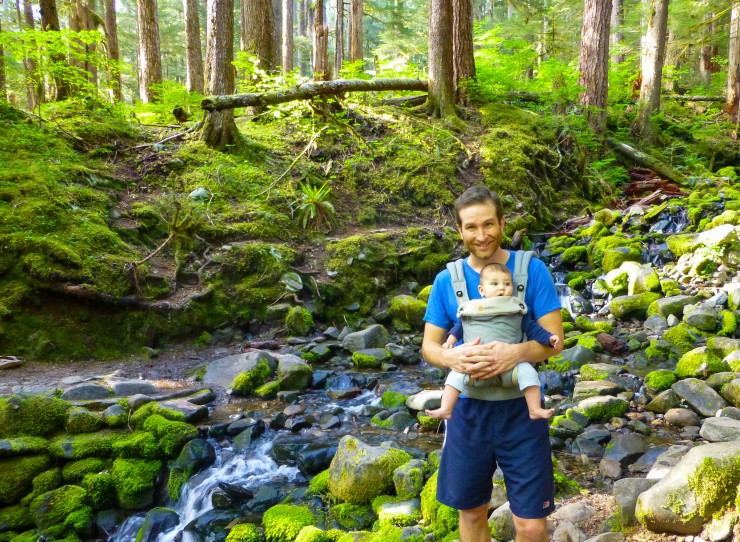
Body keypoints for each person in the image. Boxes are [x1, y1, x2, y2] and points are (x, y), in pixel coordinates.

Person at [421, 185, 564, 542]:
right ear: (459, 230)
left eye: (489, 224)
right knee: (471, 513)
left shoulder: (532, 271)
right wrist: (451, 357)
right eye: (471, 227)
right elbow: (429, 347)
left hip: (521, 412)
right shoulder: (446, 281)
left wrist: (514, 354)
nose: (481, 235)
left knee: (531, 525)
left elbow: (553, 342)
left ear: (502, 222)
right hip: (468, 414)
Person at [425, 262, 561, 421]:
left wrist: (548, 338)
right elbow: (460, 327)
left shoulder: (515, 309)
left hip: (512, 366)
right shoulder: (472, 308)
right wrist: (449, 342)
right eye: (495, 284)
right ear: (481, 290)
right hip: (474, 365)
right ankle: (446, 409)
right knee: (455, 376)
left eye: (507, 284)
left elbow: (532, 329)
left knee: (529, 373)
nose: (502, 288)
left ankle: (534, 408)